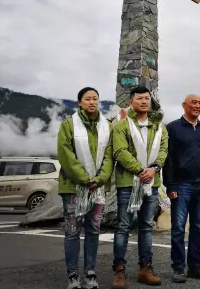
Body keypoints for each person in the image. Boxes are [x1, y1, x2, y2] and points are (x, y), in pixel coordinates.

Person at [57, 87, 114, 289]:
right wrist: (84, 178)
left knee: (93, 230)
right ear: (79, 102)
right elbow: (65, 154)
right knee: (72, 231)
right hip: (73, 187)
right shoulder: (68, 125)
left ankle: (90, 272)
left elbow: (110, 155)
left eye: (95, 99)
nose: (92, 102)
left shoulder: (107, 126)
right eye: (88, 99)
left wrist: (99, 179)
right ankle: (72, 275)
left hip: (97, 188)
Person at [111, 86, 169, 288]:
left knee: (146, 226)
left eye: (147, 98)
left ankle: (145, 268)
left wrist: (154, 168)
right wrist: (140, 170)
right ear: (131, 101)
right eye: (140, 98)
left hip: (152, 184)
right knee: (124, 227)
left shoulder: (159, 125)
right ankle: (119, 270)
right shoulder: (121, 125)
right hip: (128, 183)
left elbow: (163, 150)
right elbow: (119, 151)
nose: (144, 101)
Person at [163, 94, 200, 282]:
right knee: (178, 228)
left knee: (199, 227)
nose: (198, 106)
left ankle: (195, 266)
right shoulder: (173, 128)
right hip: (181, 185)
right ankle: (178, 267)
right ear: (184, 105)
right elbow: (168, 159)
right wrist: (171, 185)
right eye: (194, 102)